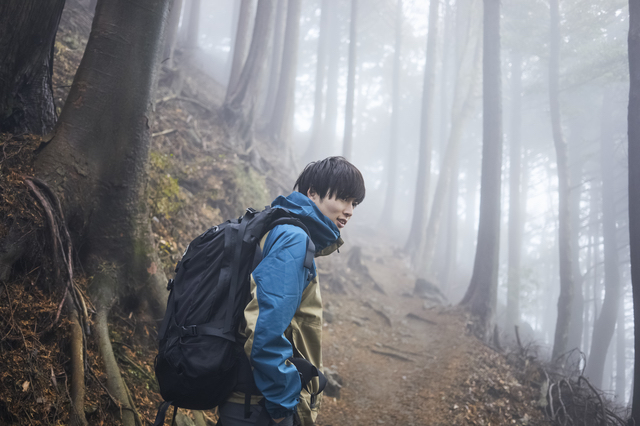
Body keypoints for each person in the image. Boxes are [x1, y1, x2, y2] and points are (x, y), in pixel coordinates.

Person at [217, 156, 366, 426]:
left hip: (251, 398)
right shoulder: (293, 239)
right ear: (312, 193)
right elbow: (266, 324)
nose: (350, 210)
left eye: (354, 203)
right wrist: (282, 402)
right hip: (259, 404)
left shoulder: (283, 229)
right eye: (343, 199)